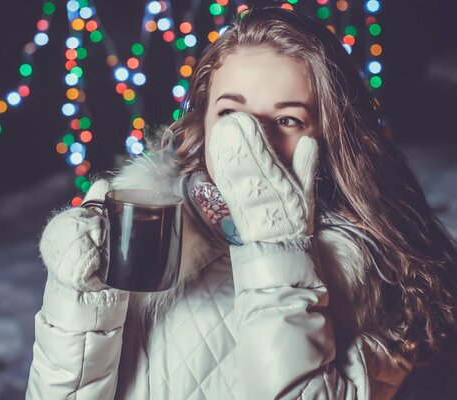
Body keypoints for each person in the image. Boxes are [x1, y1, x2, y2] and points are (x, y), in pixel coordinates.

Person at [26, 6, 457, 399]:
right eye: (232, 115)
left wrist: (277, 246)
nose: (251, 142)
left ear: (328, 137)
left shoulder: (384, 275)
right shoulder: (147, 233)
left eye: (287, 120)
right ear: (204, 122)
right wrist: (79, 296)